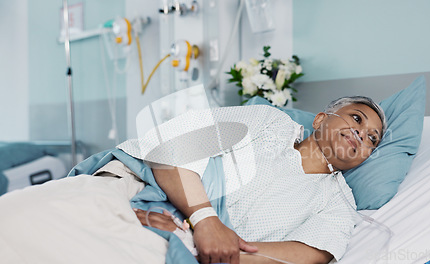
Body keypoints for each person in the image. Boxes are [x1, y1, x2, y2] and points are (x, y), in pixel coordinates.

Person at [129, 96, 386, 264]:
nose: (361, 133)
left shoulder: (339, 204)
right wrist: (203, 221)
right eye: (356, 118)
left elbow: (308, 254)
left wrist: (203, 244)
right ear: (320, 119)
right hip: (148, 190)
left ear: (365, 157)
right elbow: (173, 143)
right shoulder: (269, 122)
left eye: (372, 138)